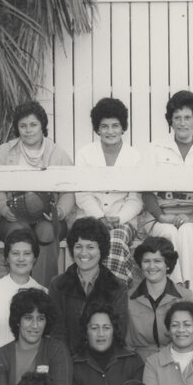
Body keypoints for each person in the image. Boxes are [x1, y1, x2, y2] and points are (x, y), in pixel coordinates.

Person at [141, 90, 193, 287]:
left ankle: (191, 289)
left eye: (187, 117)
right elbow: (145, 190)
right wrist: (161, 216)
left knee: (186, 232)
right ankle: (176, 288)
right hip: (161, 216)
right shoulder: (155, 149)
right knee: (169, 233)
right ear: (170, 120)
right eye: (177, 117)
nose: (182, 123)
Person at [0, 101, 74, 287]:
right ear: (17, 128)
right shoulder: (4, 151)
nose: (28, 130)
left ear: (42, 126)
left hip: (48, 215)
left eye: (33, 125)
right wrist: (3, 208)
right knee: (20, 233)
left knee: (47, 231)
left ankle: (42, 291)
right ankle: (19, 289)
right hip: (13, 215)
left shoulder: (57, 153)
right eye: (23, 126)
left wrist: (59, 212)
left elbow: (68, 190)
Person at [74, 97, 145, 283]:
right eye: (104, 126)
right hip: (89, 217)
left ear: (123, 127)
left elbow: (135, 199)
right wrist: (99, 217)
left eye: (115, 125)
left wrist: (118, 219)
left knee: (114, 240)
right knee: (90, 244)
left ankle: (110, 290)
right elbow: (82, 194)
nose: (110, 131)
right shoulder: (84, 154)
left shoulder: (135, 156)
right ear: (97, 129)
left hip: (123, 220)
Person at [48, 217, 129, 355]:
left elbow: (118, 333)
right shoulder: (58, 285)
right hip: (69, 363)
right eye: (78, 246)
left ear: (101, 250)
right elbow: (57, 333)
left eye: (90, 247)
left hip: (104, 365)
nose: (83, 253)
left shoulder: (117, 287)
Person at [125, 236, 193, 362]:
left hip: (176, 364)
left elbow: (191, 339)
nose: (151, 266)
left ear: (167, 265)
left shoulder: (185, 297)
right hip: (137, 366)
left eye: (157, 261)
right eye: (146, 261)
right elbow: (126, 343)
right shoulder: (128, 299)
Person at [0, 228, 46, 350]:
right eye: (15, 253)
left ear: (34, 258)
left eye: (27, 253)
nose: (21, 259)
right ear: (7, 258)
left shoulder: (44, 293)